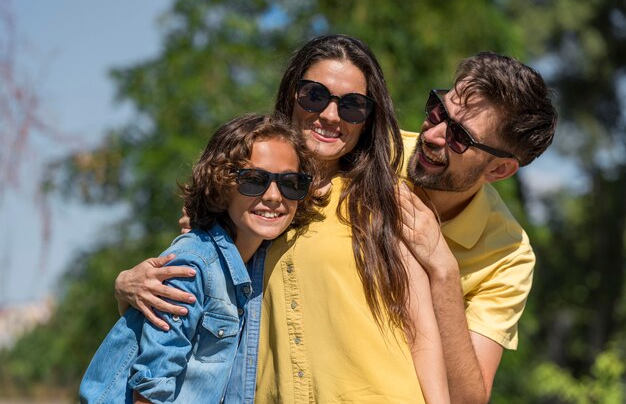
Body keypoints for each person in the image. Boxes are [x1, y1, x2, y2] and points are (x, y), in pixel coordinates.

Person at [114, 34, 450, 404]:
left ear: (369, 119)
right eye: (315, 95)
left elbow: (421, 330)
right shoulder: (245, 203)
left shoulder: (388, 200)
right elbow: (182, 310)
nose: (330, 115)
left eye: (353, 106)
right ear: (292, 93)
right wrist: (126, 284)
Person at [79, 113, 323, 403]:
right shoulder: (193, 267)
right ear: (222, 186)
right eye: (254, 180)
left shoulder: (249, 264)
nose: (273, 196)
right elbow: (151, 387)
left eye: (291, 183)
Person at [397, 52, 557, 403]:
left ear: (498, 171)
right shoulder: (371, 153)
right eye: (438, 110)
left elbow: (467, 399)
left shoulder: (510, 255)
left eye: (459, 137)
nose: (434, 134)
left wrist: (442, 269)